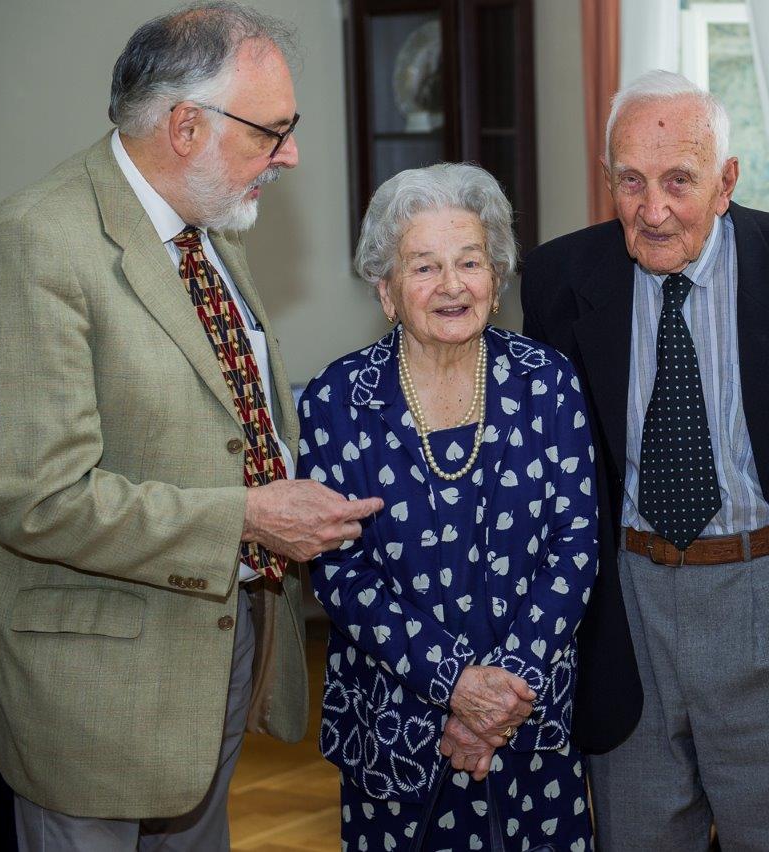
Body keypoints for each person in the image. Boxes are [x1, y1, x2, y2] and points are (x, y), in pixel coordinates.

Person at [0, 4, 381, 849]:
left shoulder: (207, 231)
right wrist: (249, 518)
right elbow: (36, 498)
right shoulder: (35, 241)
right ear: (186, 127)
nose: (291, 155)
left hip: (212, 654)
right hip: (92, 691)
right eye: (272, 132)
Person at [521, 70, 769, 850]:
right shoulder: (560, 278)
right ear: (607, 179)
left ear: (726, 181)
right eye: (631, 181)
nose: (652, 209)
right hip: (629, 611)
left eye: (679, 181)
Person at [298, 163, 597, 851]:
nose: (452, 285)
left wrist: (498, 699)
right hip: (396, 732)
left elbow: (575, 546)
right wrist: (456, 685)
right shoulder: (339, 401)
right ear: (387, 290)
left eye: (470, 261)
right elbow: (341, 574)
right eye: (425, 267)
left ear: (497, 277)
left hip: (529, 725)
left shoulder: (548, 382)